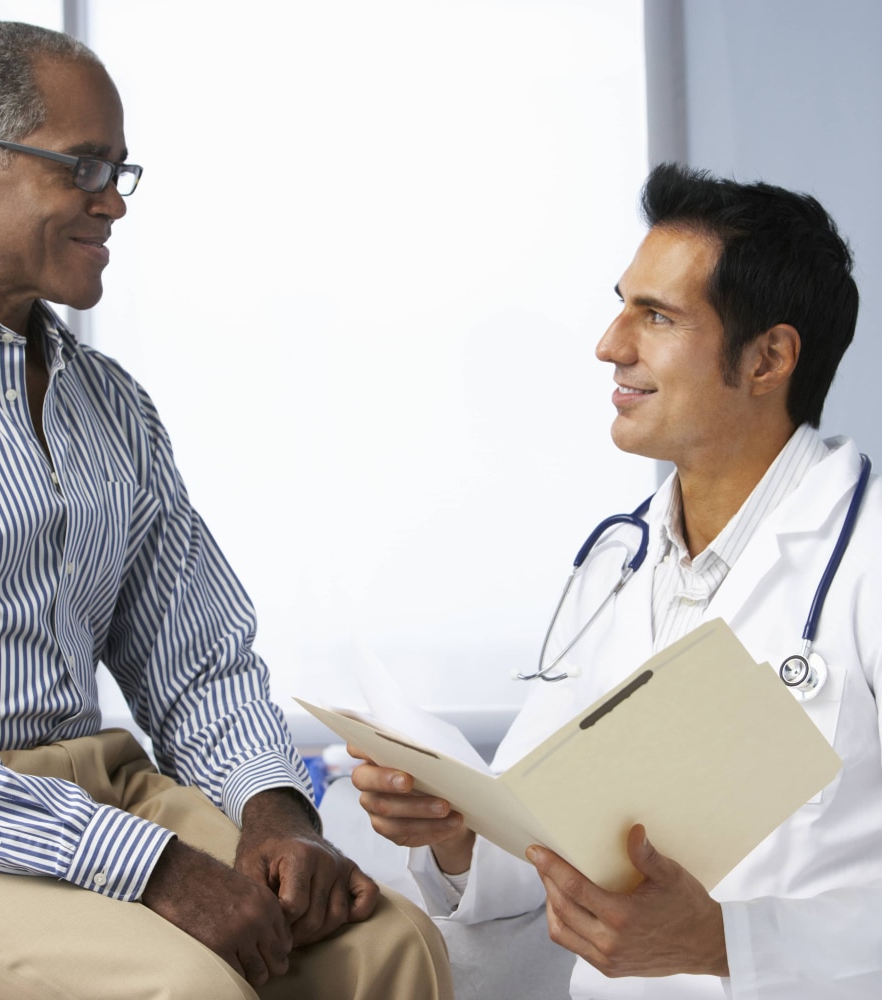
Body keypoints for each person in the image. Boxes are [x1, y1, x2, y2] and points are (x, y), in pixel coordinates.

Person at [0, 21, 452, 1000]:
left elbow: (195, 661)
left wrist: (276, 813)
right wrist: (148, 864)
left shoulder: (111, 406)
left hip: (103, 785)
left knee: (387, 943)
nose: (113, 202)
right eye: (84, 167)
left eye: (119, 171)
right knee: (189, 989)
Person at [351, 163, 882, 998]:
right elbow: (546, 840)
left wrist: (730, 943)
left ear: (770, 358)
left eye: (657, 316)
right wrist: (453, 832)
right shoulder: (618, 566)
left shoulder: (869, 561)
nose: (610, 344)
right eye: (621, 303)